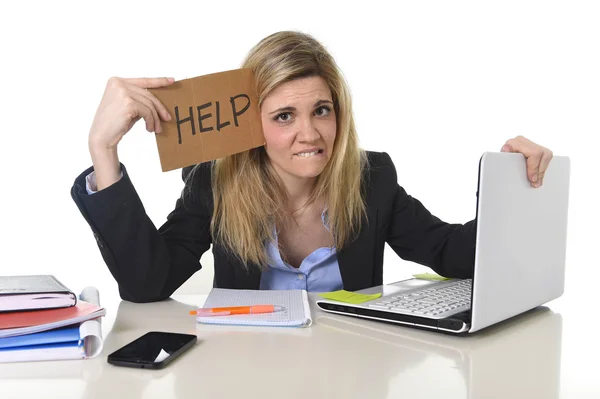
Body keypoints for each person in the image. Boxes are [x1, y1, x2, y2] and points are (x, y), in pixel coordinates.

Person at [71, 31, 554, 303]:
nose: (310, 133)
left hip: (349, 377)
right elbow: (147, 284)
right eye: (284, 116)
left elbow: (450, 252)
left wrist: (510, 187)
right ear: (251, 124)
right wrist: (103, 151)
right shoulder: (214, 183)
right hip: (245, 376)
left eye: (321, 110)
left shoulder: (372, 178)